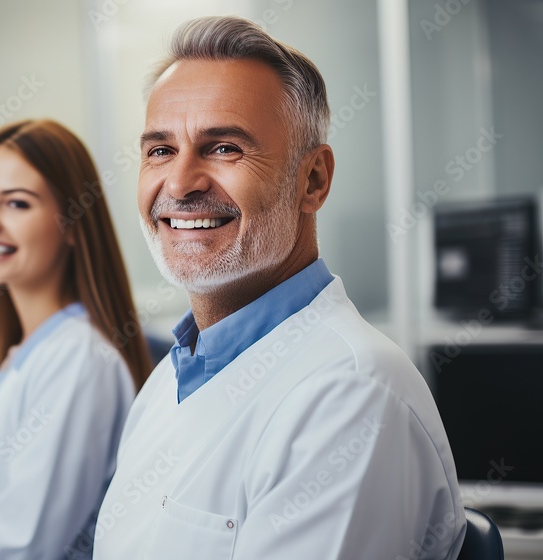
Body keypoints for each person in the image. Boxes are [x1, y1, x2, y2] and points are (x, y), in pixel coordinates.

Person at [93, 16, 465, 560]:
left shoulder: (350, 395)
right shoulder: (170, 380)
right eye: (160, 150)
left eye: (223, 147)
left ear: (312, 179)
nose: (179, 183)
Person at [0, 119, 152, 560]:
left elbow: (16, 550)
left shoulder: (80, 359)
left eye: (17, 204)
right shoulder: (28, 351)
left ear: (74, 223)